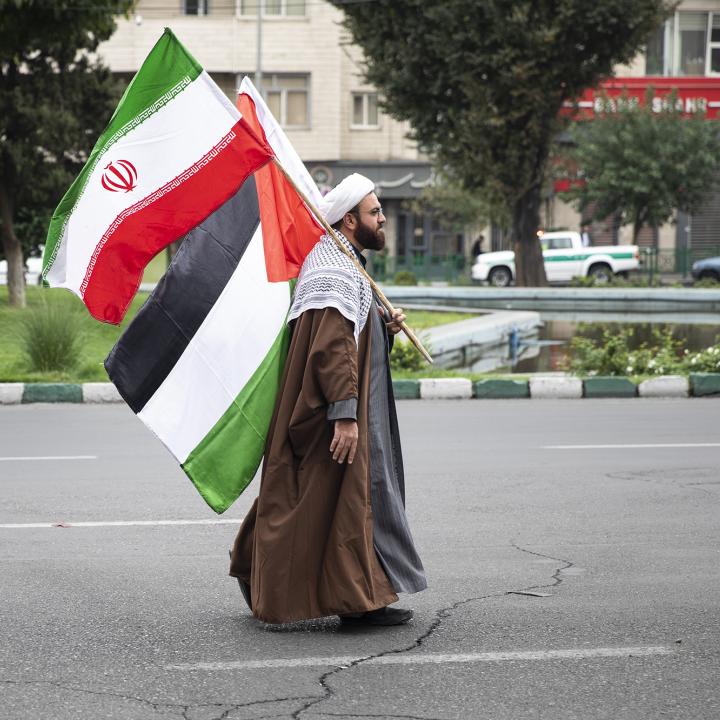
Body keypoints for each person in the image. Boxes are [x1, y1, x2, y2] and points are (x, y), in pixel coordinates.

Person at [229, 173, 427, 626]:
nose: (383, 220)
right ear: (350, 221)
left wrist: (382, 326)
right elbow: (332, 348)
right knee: (341, 502)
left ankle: (256, 564)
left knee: (307, 500)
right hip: (332, 412)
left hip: (337, 407)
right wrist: (344, 415)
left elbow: (349, 339)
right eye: (375, 212)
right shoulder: (337, 270)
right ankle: (358, 603)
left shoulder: (343, 261)